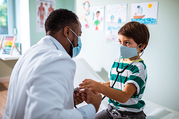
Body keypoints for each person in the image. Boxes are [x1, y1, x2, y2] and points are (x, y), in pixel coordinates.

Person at [3, 9, 102, 119]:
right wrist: (93, 107)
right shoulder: (57, 59)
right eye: (78, 35)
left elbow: (32, 95)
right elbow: (45, 116)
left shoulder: (30, 52)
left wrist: (68, 98)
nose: (79, 42)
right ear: (67, 32)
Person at [79, 21, 150, 119]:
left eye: (127, 42)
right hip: (111, 110)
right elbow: (114, 83)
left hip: (130, 115)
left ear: (141, 46)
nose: (122, 45)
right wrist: (98, 86)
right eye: (120, 41)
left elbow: (124, 96)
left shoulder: (138, 68)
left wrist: (100, 88)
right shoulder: (117, 61)